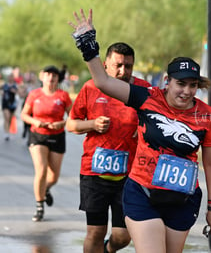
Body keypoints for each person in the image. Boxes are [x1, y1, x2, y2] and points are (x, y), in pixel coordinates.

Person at [69, 9, 211, 253]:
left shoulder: (207, 114)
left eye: (193, 85)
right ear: (167, 81)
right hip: (143, 192)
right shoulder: (147, 97)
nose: (186, 91)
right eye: (180, 84)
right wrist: (88, 47)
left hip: (182, 198)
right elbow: (103, 82)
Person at [66, 42, 150, 253]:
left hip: (130, 175)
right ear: (105, 65)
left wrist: (144, 129)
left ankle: (107, 250)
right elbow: (71, 124)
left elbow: (158, 122)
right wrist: (92, 124)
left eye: (128, 66)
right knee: (95, 232)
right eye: (118, 65)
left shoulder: (143, 90)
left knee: (123, 236)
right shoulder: (90, 87)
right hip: (94, 173)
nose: (123, 71)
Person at [20, 65, 72, 222]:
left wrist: (62, 123)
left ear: (58, 79)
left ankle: (46, 188)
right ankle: (39, 206)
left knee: (54, 177)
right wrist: (35, 121)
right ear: (42, 76)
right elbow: (24, 114)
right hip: (38, 136)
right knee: (41, 171)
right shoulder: (34, 94)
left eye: (54, 75)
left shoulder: (63, 96)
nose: (51, 78)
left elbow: (73, 117)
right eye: (48, 75)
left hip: (57, 137)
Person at [1, 74, 18, 141]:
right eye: (9, 77)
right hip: (5, 104)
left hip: (12, 104)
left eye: (11, 77)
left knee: (10, 119)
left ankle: (8, 131)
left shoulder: (15, 85)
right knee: (7, 118)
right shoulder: (4, 85)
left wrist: (14, 91)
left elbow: (18, 92)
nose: (10, 78)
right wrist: (1, 92)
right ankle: (6, 133)